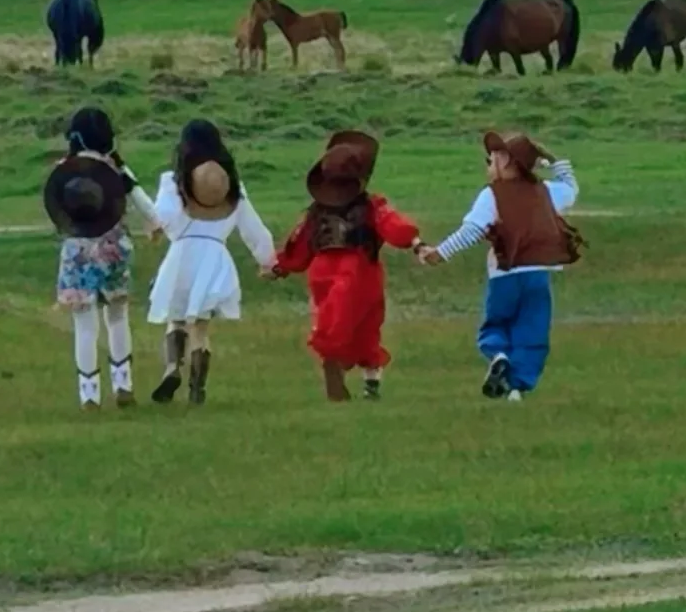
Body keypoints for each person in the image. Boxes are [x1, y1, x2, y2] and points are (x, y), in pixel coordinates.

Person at [421, 132, 583, 402]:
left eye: (491, 160)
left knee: (496, 324)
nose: (487, 166)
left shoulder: (492, 195)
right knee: (532, 330)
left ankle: (498, 355)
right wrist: (550, 158)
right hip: (538, 275)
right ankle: (517, 388)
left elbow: (471, 230)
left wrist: (440, 253)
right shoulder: (545, 192)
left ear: (506, 163)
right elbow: (571, 188)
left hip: (504, 275)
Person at [271, 130, 427, 402]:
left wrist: (280, 266)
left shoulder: (315, 213)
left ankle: (333, 359)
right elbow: (394, 226)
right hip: (358, 270)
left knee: (331, 320)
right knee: (366, 328)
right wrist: (415, 242)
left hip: (320, 270)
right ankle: (369, 386)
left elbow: (299, 245)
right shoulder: (372, 206)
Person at [146, 119, 276, 406]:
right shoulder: (229, 187)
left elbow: (162, 213)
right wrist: (267, 260)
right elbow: (253, 228)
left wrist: (155, 227)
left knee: (175, 317)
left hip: (181, 255)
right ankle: (197, 388)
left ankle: (172, 368)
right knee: (200, 327)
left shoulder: (174, 181)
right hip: (215, 258)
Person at [44, 106, 160, 411]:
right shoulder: (116, 167)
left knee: (84, 324)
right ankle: (124, 384)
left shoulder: (65, 168)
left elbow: (56, 210)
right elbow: (143, 202)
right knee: (118, 317)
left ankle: (89, 394)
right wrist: (156, 224)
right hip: (114, 247)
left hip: (79, 251)